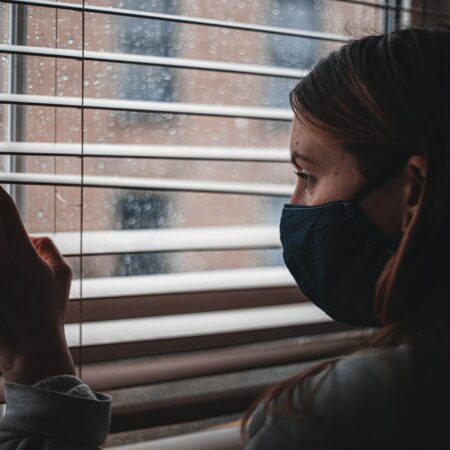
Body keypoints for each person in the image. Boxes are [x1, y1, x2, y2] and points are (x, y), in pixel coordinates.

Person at [0, 25, 449, 449]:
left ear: (412, 193)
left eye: (308, 176)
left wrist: (36, 358)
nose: (293, 206)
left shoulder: (367, 408)